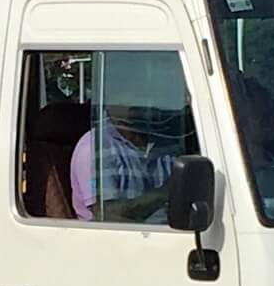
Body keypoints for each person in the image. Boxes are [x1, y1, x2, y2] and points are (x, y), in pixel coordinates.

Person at [70, 54, 188, 223]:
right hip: (115, 243)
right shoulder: (94, 147)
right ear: (108, 100)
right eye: (125, 94)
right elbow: (108, 215)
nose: (135, 102)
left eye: (139, 94)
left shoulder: (165, 142)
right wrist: (164, 192)